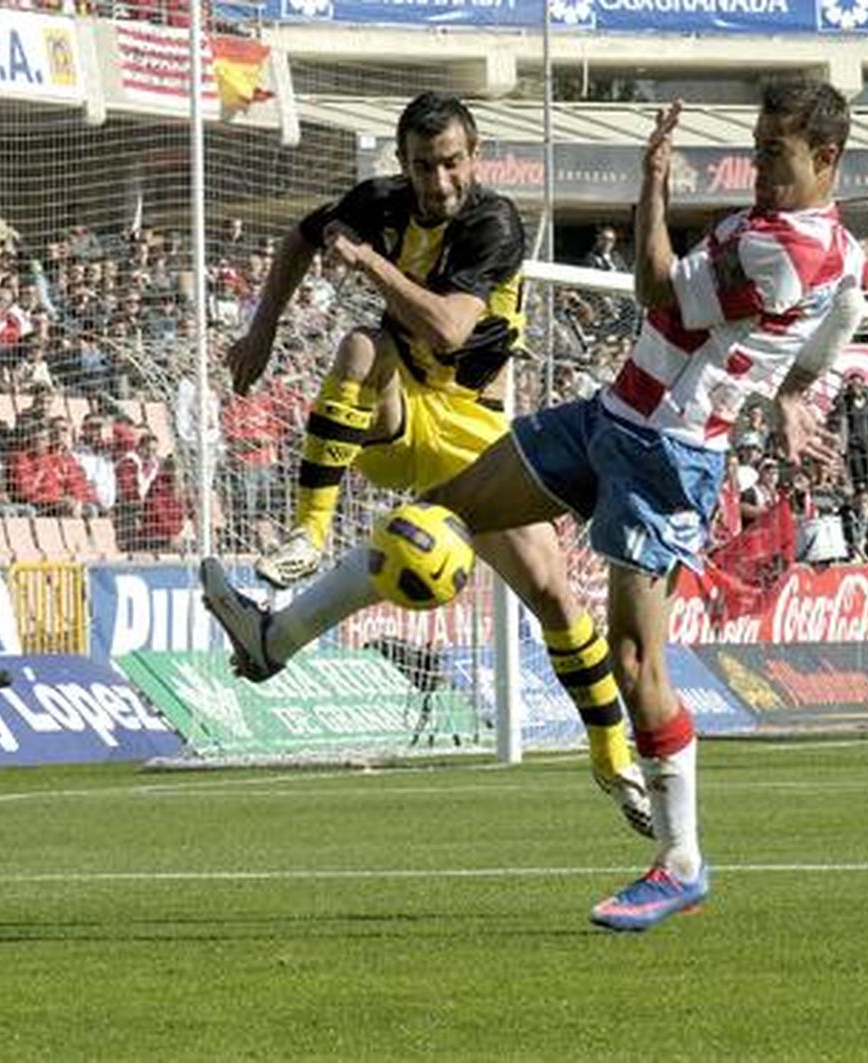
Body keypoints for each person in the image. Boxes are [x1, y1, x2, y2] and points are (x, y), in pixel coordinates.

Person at [201, 81, 866, 930]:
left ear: (827, 159)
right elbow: (844, 312)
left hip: (668, 457)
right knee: (437, 512)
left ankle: (681, 858)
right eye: (758, 143)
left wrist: (653, 180)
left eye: (777, 152)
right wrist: (791, 388)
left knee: (636, 665)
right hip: (608, 418)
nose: (759, 163)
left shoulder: (785, 248)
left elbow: (654, 288)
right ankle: (275, 636)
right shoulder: (834, 248)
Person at [210, 91, 652, 839]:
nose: (438, 180)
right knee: (358, 348)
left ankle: (614, 759)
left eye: (450, 163)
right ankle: (307, 533)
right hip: (400, 406)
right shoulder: (377, 202)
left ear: (472, 159)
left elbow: (450, 329)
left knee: (555, 597)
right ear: (402, 163)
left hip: (476, 429)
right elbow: (301, 236)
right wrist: (261, 330)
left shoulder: (494, 223)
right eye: (422, 165)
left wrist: (371, 266)